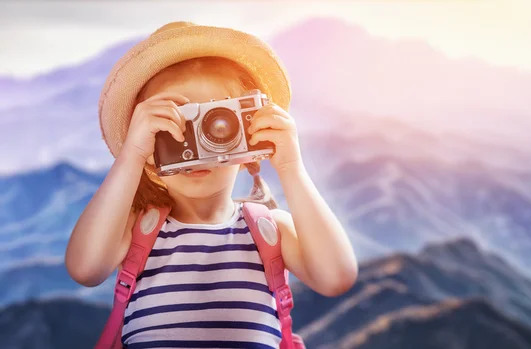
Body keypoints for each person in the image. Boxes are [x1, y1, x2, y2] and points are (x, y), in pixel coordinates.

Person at [65, 21, 357, 348]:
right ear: (148, 150)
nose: (197, 143)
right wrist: (131, 156)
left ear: (249, 138)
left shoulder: (270, 232)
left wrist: (291, 167)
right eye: (173, 125)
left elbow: (337, 278)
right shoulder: (135, 233)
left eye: (218, 124)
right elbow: (84, 269)